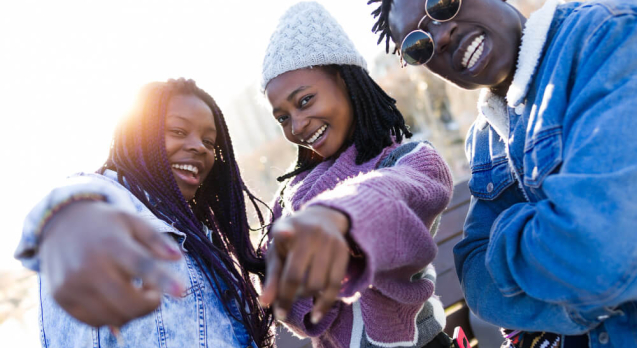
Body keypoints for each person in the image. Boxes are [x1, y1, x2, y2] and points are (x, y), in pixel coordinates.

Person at [369, 0, 637, 346]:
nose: (443, 34)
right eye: (418, 45)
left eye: (442, 3)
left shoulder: (603, 36)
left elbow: (602, 248)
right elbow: (476, 282)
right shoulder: (484, 139)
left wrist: (506, 237)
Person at [14, 78, 273, 347]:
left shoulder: (194, 235)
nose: (199, 147)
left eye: (209, 141)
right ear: (140, 134)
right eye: (179, 131)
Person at [257, 2, 454, 347]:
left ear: (347, 82)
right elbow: (294, 309)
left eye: (304, 101)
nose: (297, 126)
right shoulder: (288, 199)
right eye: (282, 117)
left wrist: (339, 217)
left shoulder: (409, 160)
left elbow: (391, 195)